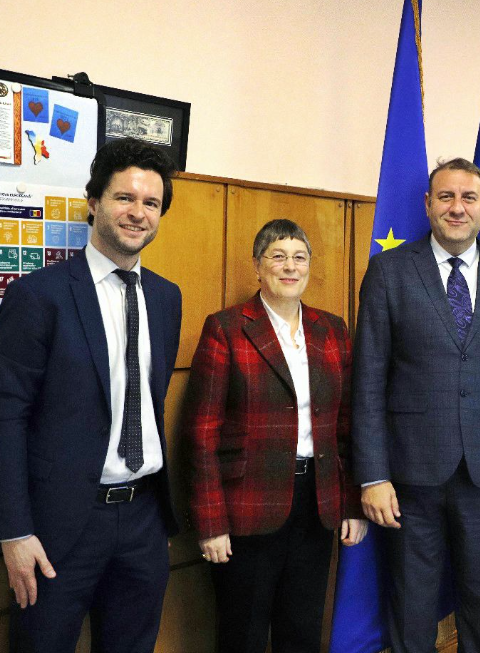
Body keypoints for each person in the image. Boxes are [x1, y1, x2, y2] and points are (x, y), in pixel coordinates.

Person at [0, 138, 182, 653]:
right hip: (59, 526)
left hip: (143, 519)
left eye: (151, 202)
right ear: (94, 202)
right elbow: (5, 417)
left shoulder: (166, 297)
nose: (138, 213)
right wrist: (14, 531)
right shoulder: (39, 295)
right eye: (124, 197)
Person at [352, 158, 480, 653]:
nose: (456, 208)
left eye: (468, 198)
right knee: (411, 611)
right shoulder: (389, 271)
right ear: (428, 205)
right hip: (409, 476)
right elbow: (369, 381)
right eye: (445, 197)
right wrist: (372, 476)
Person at [184, 219, 367, 653]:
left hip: (317, 504)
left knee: (302, 633)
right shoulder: (227, 328)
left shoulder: (332, 329)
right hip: (248, 507)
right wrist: (211, 524)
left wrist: (352, 504)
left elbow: (346, 425)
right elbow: (201, 433)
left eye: (299, 258)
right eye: (278, 256)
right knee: (242, 635)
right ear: (257, 266)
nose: (290, 267)